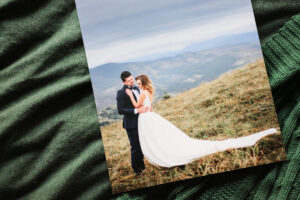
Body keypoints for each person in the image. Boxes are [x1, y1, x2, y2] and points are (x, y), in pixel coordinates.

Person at [125, 74, 277, 168]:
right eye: (136, 84)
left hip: (146, 118)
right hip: (150, 116)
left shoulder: (142, 94)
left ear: (143, 83)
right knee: (158, 137)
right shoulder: (149, 92)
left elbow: (137, 106)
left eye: (138, 83)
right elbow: (149, 106)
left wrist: (130, 95)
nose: (137, 86)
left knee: (156, 137)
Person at [116, 71, 149, 176]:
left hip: (142, 121)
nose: (132, 82)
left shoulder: (137, 88)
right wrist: (136, 111)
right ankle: (137, 171)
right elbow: (120, 110)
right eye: (129, 81)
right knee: (135, 147)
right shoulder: (121, 93)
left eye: (132, 79)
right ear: (123, 82)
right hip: (131, 124)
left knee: (143, 144)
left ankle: (142, 166)